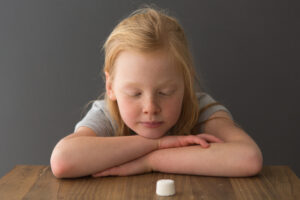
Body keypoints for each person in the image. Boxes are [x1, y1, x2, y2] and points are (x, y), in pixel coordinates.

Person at [50, 6, 263, 178]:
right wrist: (157, 143)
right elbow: (63, 160)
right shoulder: (107, 115)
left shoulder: (202, 110)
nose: (151, 108)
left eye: (166, 92)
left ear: (186, 83)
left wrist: (151, 160)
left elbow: (248, 158)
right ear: (110, 87)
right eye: (134, 93)